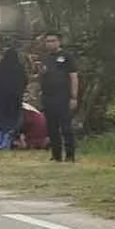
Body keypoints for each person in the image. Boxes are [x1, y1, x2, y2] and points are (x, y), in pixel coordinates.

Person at [40, 31, 78, 162]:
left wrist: (74, 97)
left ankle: (70, 155)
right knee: (52, 128)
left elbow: (73, 77)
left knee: (66, 127)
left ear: (59, 42)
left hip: (63, 97)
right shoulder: (45, 58)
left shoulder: (67, 56)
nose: (50, 44)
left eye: (53, 41)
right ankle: (56, 155)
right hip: (48, 98)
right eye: (48, 41)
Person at [0, 41, 28, 150]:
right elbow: (24, 82)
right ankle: (5, 144)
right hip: (14, 101)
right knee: (10, 124)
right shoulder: (19, 69)